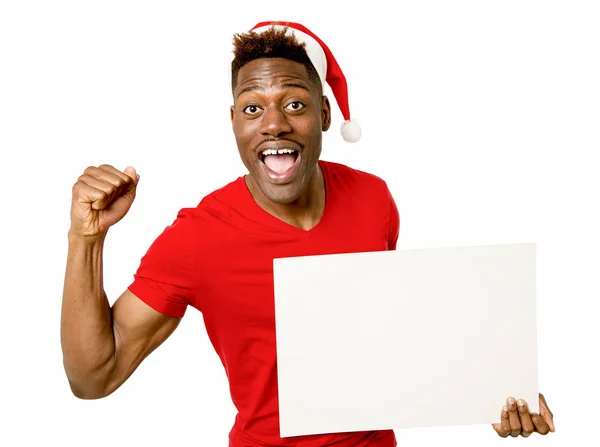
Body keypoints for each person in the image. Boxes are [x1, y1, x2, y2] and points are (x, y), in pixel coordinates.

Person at [60, 21, 555, 446]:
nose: (273, 124)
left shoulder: (373, 199)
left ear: (323, 113)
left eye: (294, 104)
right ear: (233, 123)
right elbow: (93, 376)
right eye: (252, 108)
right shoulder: (199, 237)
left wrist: (495, 387)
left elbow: (389, 338)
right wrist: (86, 238)